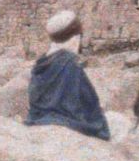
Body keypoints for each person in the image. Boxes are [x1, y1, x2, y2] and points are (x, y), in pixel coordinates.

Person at [25, 9, 110, 140]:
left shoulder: (41, 62)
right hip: (66, 120)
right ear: (74, 36)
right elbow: (88, 99)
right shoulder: (70, 64)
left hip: (38, 116)